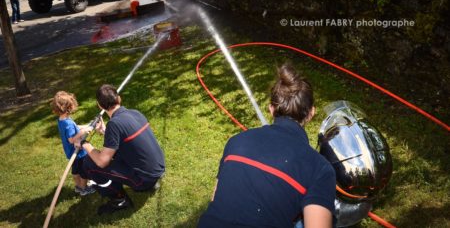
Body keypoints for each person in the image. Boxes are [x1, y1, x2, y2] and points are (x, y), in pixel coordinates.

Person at [198, 64, 336, 228]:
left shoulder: (235, 141)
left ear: (271, 109)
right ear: (311, 113)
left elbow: (216, 197)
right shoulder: (319, 168)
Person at [76, 84, 165, 215]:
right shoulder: (135, 113)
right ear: (119, 99)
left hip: (144, 179)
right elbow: (127, 142)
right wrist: (105, 131)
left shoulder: (115, 124)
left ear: (99, 105)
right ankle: (151, 183)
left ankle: (119, 199)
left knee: (89, 163)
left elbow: (102, 161)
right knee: (114, 154)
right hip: (157, 170)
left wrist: (84, 143)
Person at [51, 91, 96, 196]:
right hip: (78, 152)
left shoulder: (62, 120)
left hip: (70, 152)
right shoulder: (68, 123)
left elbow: (74, 128)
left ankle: (78, 186)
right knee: (83, 171)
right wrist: (83, 132)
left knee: (75, 170)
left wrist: (87, 125)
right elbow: (71, 140)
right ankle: (84, 188)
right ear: (69, 107)